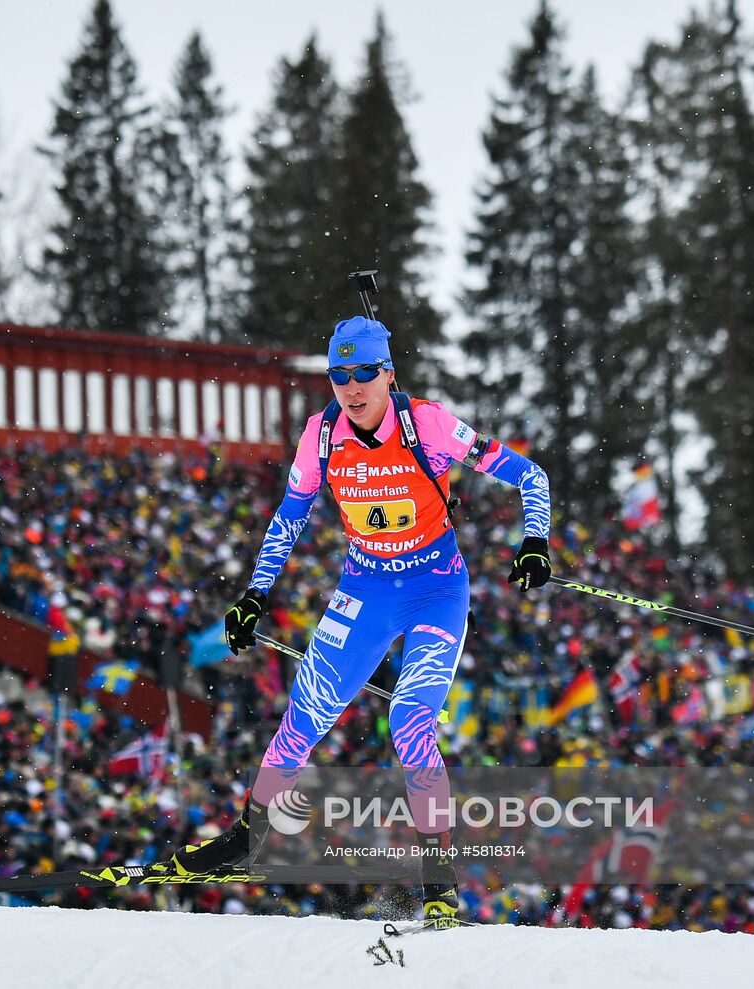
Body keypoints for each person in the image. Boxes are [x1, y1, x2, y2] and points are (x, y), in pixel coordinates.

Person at [152, 316, 552, 925]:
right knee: (303, 715)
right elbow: (287, 518)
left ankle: (439, 881)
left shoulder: (429, 424)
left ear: (388, 374)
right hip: (365, 588)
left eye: (366, 372)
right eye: (340, 375)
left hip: (435, 591)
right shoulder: (319, 436)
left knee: (410, 720)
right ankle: (248, 841)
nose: (353, 386)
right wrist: (253, 597)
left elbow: (531, 476)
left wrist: (535, 541)